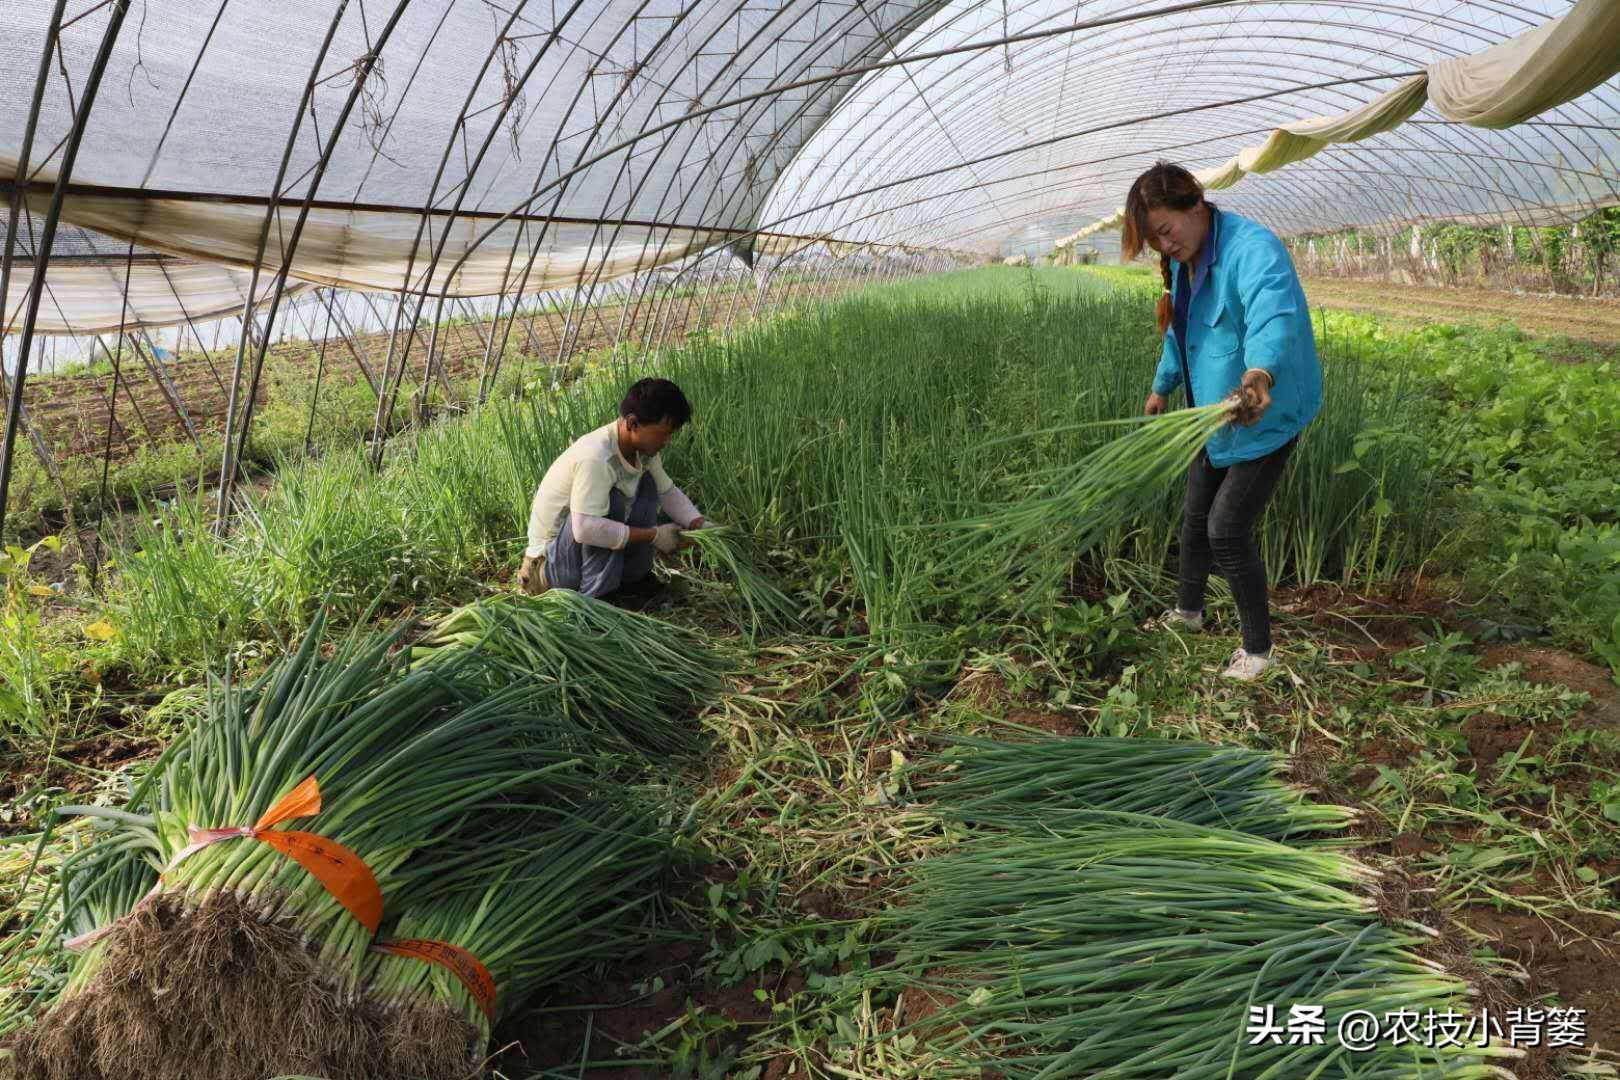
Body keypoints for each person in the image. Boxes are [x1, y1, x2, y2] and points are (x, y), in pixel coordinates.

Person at [1122, 161, 1323, 681]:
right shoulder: (1187, 262)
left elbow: (1272, 316)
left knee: (1226, 529)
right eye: (1154, 239)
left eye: (1166, 231)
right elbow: (1181, 332)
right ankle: (1188, 613)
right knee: (1195, 517)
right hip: (1211, 411)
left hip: (1262, 409)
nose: (1164, 245)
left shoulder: (1252, 250)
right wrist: (1160, 387)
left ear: (1196, 206)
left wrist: (1260, 374)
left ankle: (1258, 653)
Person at [517, 377, 706, 599]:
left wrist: (699, 523)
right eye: (663, 433)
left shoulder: (643, 452)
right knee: (612, 500)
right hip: (549, 568)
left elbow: (667, 492)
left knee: (648, 484)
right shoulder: (597, 458)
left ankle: (635, 580)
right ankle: (597, 599)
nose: (667, 441)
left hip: (580, 556)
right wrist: (655, 535)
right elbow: (586, 529)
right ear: (632, 423)